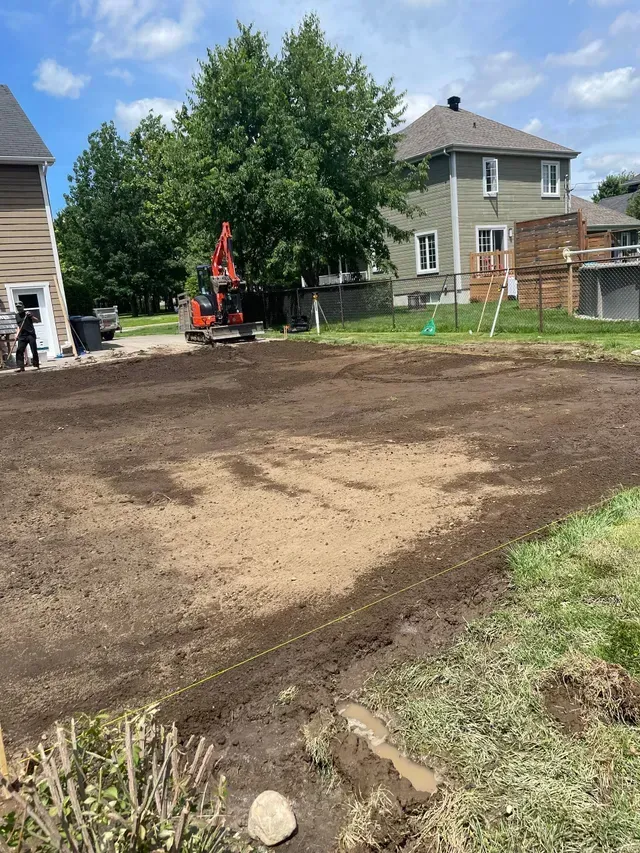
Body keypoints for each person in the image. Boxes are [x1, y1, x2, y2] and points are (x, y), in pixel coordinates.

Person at [14, 301, 39, 372]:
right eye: (17, 307)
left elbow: (37, 321)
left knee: (33, 350)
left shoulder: (28, 313)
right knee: (19, 350)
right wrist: (16, 334)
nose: (19, 308)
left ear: (23, 306)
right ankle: (21, 367)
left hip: (30, 334)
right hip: (22, 336)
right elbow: (19, 326)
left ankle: (36, 364)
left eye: (20, 306)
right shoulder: (17, 316)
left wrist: (31, 316)